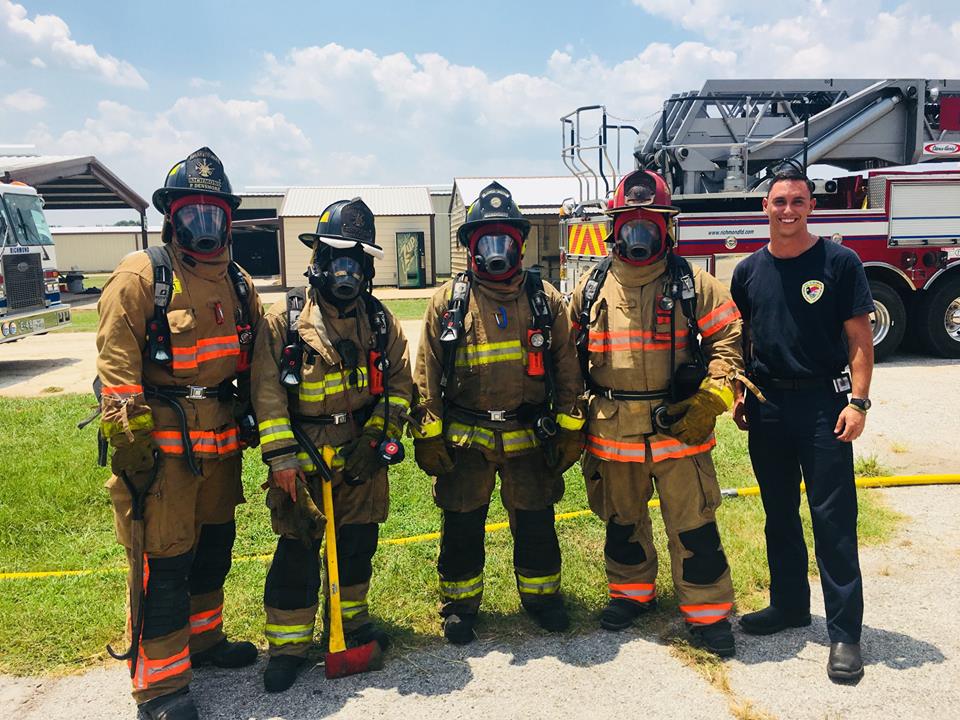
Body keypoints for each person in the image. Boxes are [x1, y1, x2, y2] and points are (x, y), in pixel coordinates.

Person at [97, 147, 262, 720]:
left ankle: (205, 643)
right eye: (193, 213)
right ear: (172, 217)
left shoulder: (239, 286)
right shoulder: (142, 277)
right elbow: (116, 374)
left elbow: (259, 368)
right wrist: (134, 449)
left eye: (214, 214)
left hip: (220, 450)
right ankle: (161, 688)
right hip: (163, 457)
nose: (205, 226)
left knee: (212, 552)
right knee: (163, 565)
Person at [569, 169, 745, 657]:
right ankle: (632, 595)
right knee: (623, 523)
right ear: (613, 227)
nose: (639, 233)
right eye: (629, 222)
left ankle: (708, 613)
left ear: (668, 227)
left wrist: (712, 396)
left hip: (679, 431)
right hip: (612, 433)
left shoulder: (694, 283)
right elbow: (567, 357)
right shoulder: (592, 287)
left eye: (650, 222)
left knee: (694, 525)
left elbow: (729, 339)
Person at [251, 197, 413, 692]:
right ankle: (289, 645)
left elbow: (402, 385)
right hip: (301, 459)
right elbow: (266, 394)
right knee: (297, 550)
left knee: (359, 544)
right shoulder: (285, 321)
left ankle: (350, 625)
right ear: (318, 261)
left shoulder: (380, 322)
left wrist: (376, 439)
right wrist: (282, 461)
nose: (346, 272)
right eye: (336, 259)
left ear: (366, 268)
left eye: (356, 261)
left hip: (359, 455)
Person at [412, 181, 585, 645]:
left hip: (529, 434)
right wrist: (427, 434)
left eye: (503, 240)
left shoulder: (544, 298)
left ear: (519, 244)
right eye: (485, 240)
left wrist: (570, 428)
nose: (495, 250)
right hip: (467, 438)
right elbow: (426, 371)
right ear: (470, 247)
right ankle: (459, 607)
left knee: (535, 520)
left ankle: (542, 599)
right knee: (462, 522)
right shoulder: (448, 302)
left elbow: (567, 366)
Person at [730, 162, 874, 682]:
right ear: (764, 208)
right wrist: (740, 393)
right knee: (779, 514)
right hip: (768, 408)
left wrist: (857, 402)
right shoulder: (747, 271)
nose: (787, 210)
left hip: (823, 405)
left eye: (797, 201)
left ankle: (844, 635)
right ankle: (789, 606)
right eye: (778, 201)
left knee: (833, 520)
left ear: (811, 206)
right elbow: (744, 338)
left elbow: (859, 338)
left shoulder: (840, 263)